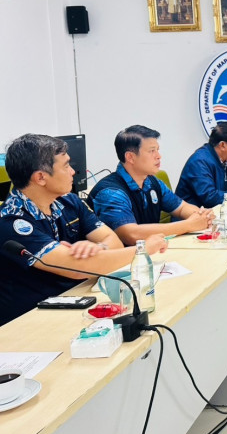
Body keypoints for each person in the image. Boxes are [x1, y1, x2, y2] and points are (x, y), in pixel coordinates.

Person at [0, 134, 168, 326]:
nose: (73, 171)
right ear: (40, 177)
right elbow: (77, 269)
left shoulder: (68, 201)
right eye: (66, 166)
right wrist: (143, 249)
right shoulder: (12, 221)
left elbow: (113, 241)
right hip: (30, 322)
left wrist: (99, 248)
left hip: (75, 302)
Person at [89, 125, 214, 246]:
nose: (159, 156)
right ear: (130, 157)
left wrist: (203, 217)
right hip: (124, 258)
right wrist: (189, 225)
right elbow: (131, 234)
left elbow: (181, 208)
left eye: (158, 150)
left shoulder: (152, 182)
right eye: (152, 151)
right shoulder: (111, 193)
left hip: (152, 251)